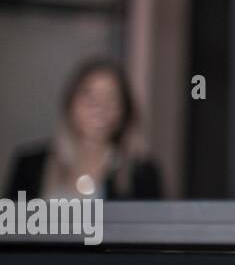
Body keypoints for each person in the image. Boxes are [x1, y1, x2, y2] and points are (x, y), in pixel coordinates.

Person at [5, 58, 162, 200]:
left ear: (123, 111)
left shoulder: (141, 175)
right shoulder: (30, 166)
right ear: (70, 103)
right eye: (89, 95)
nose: (100, 107)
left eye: (111, 97)